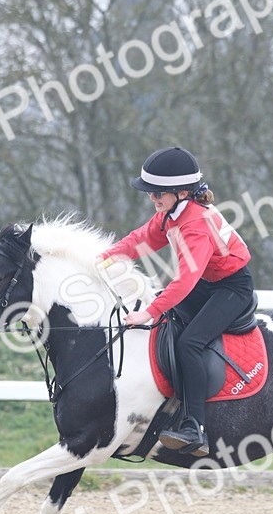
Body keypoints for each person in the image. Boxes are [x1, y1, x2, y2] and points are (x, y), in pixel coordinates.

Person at [98, 147, 254, 457]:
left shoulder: (195, 225)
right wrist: (105, 256)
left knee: (189, 343)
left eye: (158, 193)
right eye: (150, 191)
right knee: (165, 327)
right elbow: (141, 239)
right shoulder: (172, 214)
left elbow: (185, 281)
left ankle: (195, 426)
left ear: (182, 192)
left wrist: (148, 312)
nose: (151, 197)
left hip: (231, 289)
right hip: (206, 283)